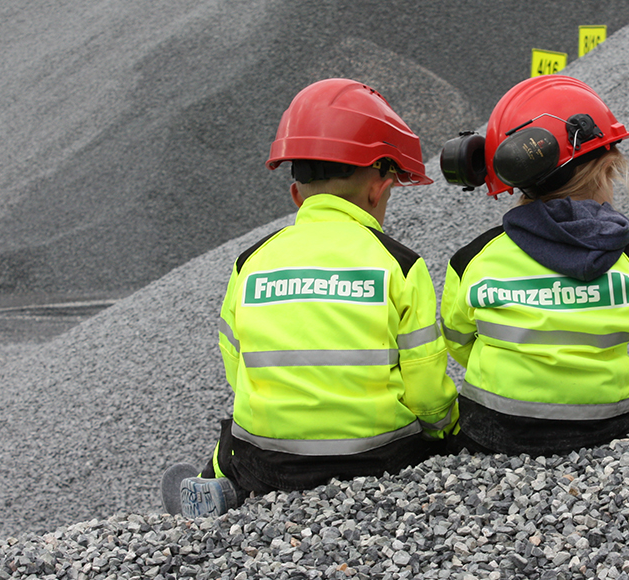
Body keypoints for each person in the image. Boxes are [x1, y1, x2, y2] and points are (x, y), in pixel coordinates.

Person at [162, 78, 459, 518]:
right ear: (379, 187)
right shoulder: (400, 264)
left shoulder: (251, 263)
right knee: (438, 432)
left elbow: (237, 366)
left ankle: (218, 490)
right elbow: (426, 389)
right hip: (379, 460)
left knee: (231, 445)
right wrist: (447, 433)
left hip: (269, 462)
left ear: (296, 193)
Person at [438, 74, 629, 456]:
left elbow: (456, 340)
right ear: (607, 170)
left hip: (497, 426)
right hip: (607, 428)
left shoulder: (473, 258)